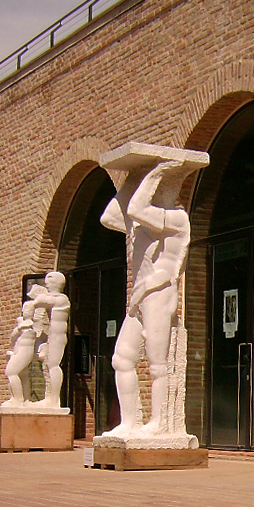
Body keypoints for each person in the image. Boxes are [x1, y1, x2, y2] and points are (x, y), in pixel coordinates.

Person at [100, 160, 191, 436]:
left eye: (151, 188)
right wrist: (131, 179)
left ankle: (160, 423)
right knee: (122, 359)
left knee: (157, 363)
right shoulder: (142, 224)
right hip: (140, 297)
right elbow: (109, 217)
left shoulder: (176, 219)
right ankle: (130, 422)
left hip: (159, 291)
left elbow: (135, 208)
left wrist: (154, 173)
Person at [1, 283, 46, 407]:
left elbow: (16, 336)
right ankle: (25, 399)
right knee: (23, 375)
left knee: (11, 372)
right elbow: (12, 338)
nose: (25, 311)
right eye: (24, 309)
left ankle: (18, 399)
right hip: (19, 352)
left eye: (28, 309)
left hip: (25, 354)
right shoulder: (22, 326)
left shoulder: (29, 326)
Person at [32, 271, 70, 408]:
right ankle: (48, 397)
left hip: (58, 337)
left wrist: (35, 300)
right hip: (50, 336)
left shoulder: (62, 298)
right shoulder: (50, 297)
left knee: (53, 365)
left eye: (50, 279)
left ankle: (54, 400)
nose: (46, 282)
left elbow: (45, 301)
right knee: (47, 365)